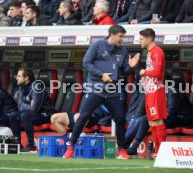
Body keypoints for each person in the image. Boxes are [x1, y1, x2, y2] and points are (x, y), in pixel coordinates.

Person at [63, 25, 140, 159]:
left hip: (112, 90)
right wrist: (101, 74)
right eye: (120, 36)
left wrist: (131, 67)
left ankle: (122, 149)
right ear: (112, 34)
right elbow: (86, 63)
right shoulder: (97, 45)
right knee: (83, 117)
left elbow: (124, 72)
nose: (122, 39)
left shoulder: (123, 51)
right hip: (95, 88)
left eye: (123, 36)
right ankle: (70, 147)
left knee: (120, 119)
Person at [8, 68, 55, 152]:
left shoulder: (36, 87)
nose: (16, 78)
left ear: (26, 78)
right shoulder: (21, 87)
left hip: (45, 114)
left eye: (19, 76)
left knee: (25, 115)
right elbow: (19, 105)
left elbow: (34, 109)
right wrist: (28, 101)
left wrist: (24, 103)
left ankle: (31, 145)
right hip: (32, 114)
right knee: (13, 115)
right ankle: (17, 144)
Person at [139, 28, 167, 159]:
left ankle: (162, 150)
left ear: (150, 38)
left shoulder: (157, 52)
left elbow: (157, 72)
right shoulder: (150, 52)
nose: (140, 42)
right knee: (151, 122)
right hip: (149, 91)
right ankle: (157, 151)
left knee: (157, 120)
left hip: (156, 91)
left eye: (142, 39)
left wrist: (144, 72)